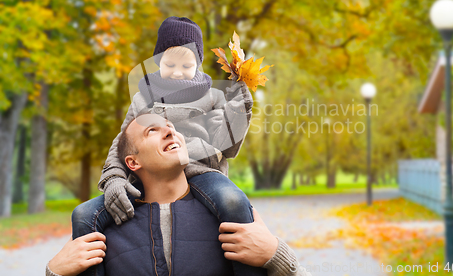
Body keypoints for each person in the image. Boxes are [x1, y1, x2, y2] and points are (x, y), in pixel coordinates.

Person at [72, 17, 261, 275]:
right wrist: (114, 178)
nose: (177, 71)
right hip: (150, 172)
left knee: (233, 200)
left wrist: (239, 108)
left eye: (187, 64)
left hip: (200, 170)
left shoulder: (212, 96)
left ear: (198, 64)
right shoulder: (143, 98)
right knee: (84, 214)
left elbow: (227, 146)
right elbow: (123, 142)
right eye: (170, 64)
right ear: (158, 61)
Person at [47, 115, 312, 276]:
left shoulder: (232, 221)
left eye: (170, 126)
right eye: (152, 130)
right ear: (132, 162)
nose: (170, 131)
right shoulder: (104, 233)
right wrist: (54, 273)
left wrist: (278, 257)